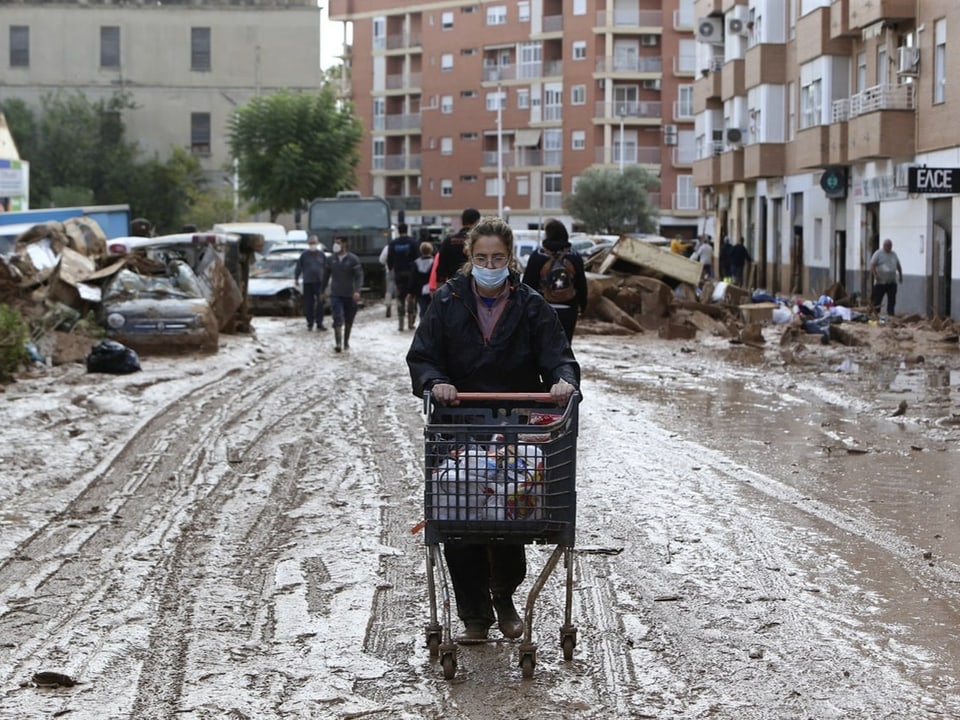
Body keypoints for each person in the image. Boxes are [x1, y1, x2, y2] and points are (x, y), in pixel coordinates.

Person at [407, 215, 580, 641]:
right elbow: (423, 356)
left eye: (497, 257)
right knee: (460, 517)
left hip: (514, 428)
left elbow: (558, 355)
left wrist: (563, 381)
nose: (489, 264)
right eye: (481, 257)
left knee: (509, 517)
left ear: (510, 259)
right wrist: (435, 382)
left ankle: (503, 596)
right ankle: (474, 616)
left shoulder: (531, 305)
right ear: (469, 256)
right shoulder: (446, 302)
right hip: (459, 424)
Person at [521, 219, 588, 343]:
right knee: (565, 345)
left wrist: (525, 308)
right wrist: (583, 305)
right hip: (569, 308)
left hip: (542, 308)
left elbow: (527, 284)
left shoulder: (538, 255)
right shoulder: (574, 255)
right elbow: (581, 284)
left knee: (541, 346)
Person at [326, 235, 363, 352]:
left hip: (350, 294)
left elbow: (359, 276)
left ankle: (346, 341)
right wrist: (323, 291)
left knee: (349, 319)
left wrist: (357, 290)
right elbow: (325, 276)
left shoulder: (353, 259)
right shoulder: (331, 259)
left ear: (345, 244)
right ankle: (338, 343)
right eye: (335, 242)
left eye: (339, 243)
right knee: (337, 318)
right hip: (336, 294)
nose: (336, 245)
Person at [434, 208, 481, 287]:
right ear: (477, 222)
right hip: (476, 286)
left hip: (454, 286)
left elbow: (441, 267)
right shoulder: (479, 241)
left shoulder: (449, 241)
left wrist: (439, 285)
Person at [387, 223, 420, 331]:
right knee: (411, 296)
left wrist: (391, 268)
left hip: (398, 274)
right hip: (411, 274)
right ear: (407, 230)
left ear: (398, 231)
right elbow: (417, 258)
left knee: (400, 297)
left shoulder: (393, 244)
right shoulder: (413, 242)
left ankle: (401, 324)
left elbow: (389, 260)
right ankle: (411, 323)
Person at [294, 234, 330, 331]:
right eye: (310, 243)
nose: (312, 245)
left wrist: (327, 280)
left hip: (320, 282)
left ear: (317, 243)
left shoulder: (321, 255)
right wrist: (296, 278)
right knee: (308, 304)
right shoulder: (304, 255)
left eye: (314, 243)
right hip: (308, 282)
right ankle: (310, 323)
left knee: (320, 303)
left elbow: (327, 268)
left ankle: (319, 323)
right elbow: (298, 267)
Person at [869, 238, 903, 317]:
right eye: (888, 246)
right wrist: (875, 275)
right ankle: (875, 315)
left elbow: (898, 265)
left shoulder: (893, 254)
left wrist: (901, 276)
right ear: (884, 246)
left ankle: (891, 315)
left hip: (891, 282)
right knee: (877, 300)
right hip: (880, 282)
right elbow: (872, 265)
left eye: (890, 246)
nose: (889, 247)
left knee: (892, 300)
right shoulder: (878, 253)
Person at [411, 241, 435, 323]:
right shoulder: (434, 262)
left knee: (422, 309)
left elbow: (413, 278)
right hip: (432, 289)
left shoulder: (416, 263)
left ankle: (423, 325)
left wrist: (411, 292)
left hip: (419, 290)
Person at [379, 243, 395, 319]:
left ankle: (388, 304)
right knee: (402, 292)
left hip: (390, 271)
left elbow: (381, 260)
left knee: (389, 290)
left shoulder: (388, 247)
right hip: (404, 271)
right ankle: (404, 309)